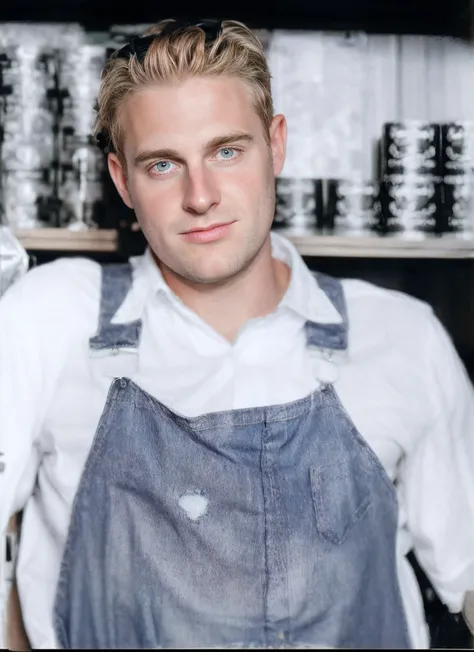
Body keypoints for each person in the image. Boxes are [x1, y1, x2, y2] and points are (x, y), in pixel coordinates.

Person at [1, 17, 474, 650]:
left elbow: (468, 573)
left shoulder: (403, 338)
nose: (201, 196)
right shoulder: (52, 319)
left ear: (275, 146)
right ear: (122, 180)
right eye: (164, 164)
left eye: (228, 151)